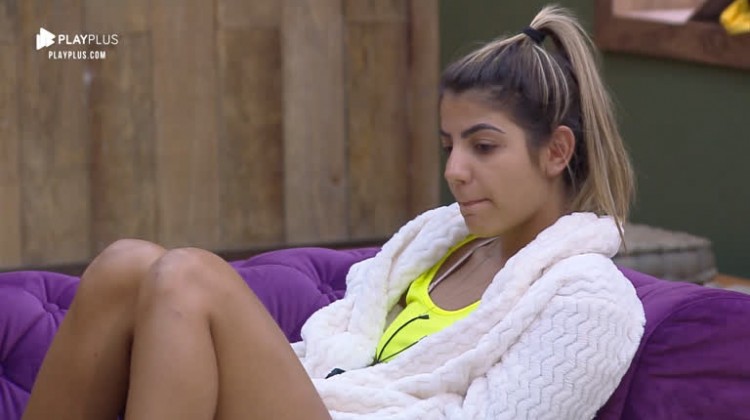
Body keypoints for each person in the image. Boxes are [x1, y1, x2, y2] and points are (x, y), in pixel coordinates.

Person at [23, 5, 644, 420]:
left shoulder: (589, 300)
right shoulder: (438, 245)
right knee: (126, 264)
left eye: (483, 147)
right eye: (448, 146)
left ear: (556, 151)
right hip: (327, 403)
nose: (455, 170)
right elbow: (336, 348)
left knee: (189, 275)